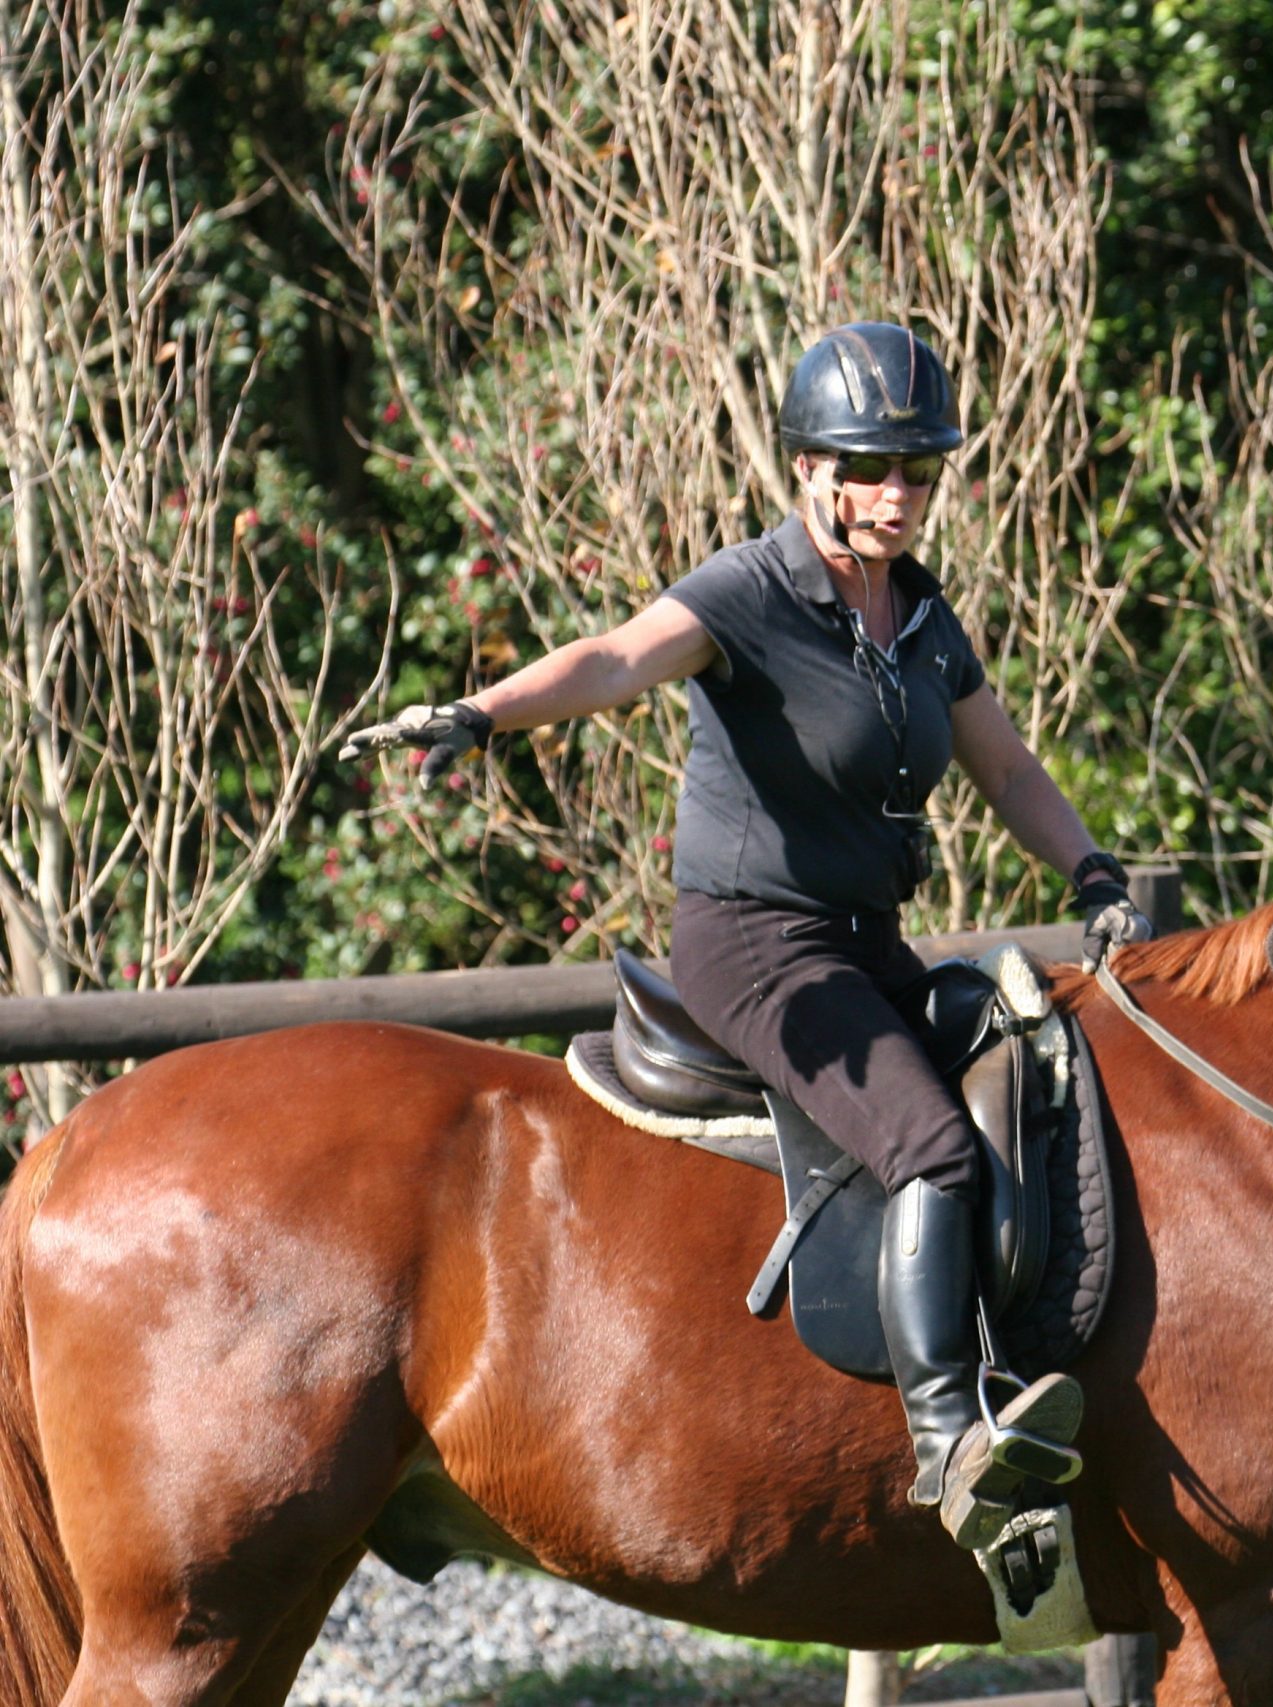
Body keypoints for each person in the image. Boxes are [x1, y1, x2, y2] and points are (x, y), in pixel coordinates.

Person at [341, 321, 1153, 1549]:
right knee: (930, 1148)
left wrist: (1089, 866)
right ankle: (953, 1442)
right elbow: (615, 657)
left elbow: (1003, 764)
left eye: (919, 473)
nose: (898, 496)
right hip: (755, 948)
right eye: (871, 469)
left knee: (1021, 1057)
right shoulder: (749, 592)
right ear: (808, 469)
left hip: (864, 941)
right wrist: (483, 713)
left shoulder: (922, 614)